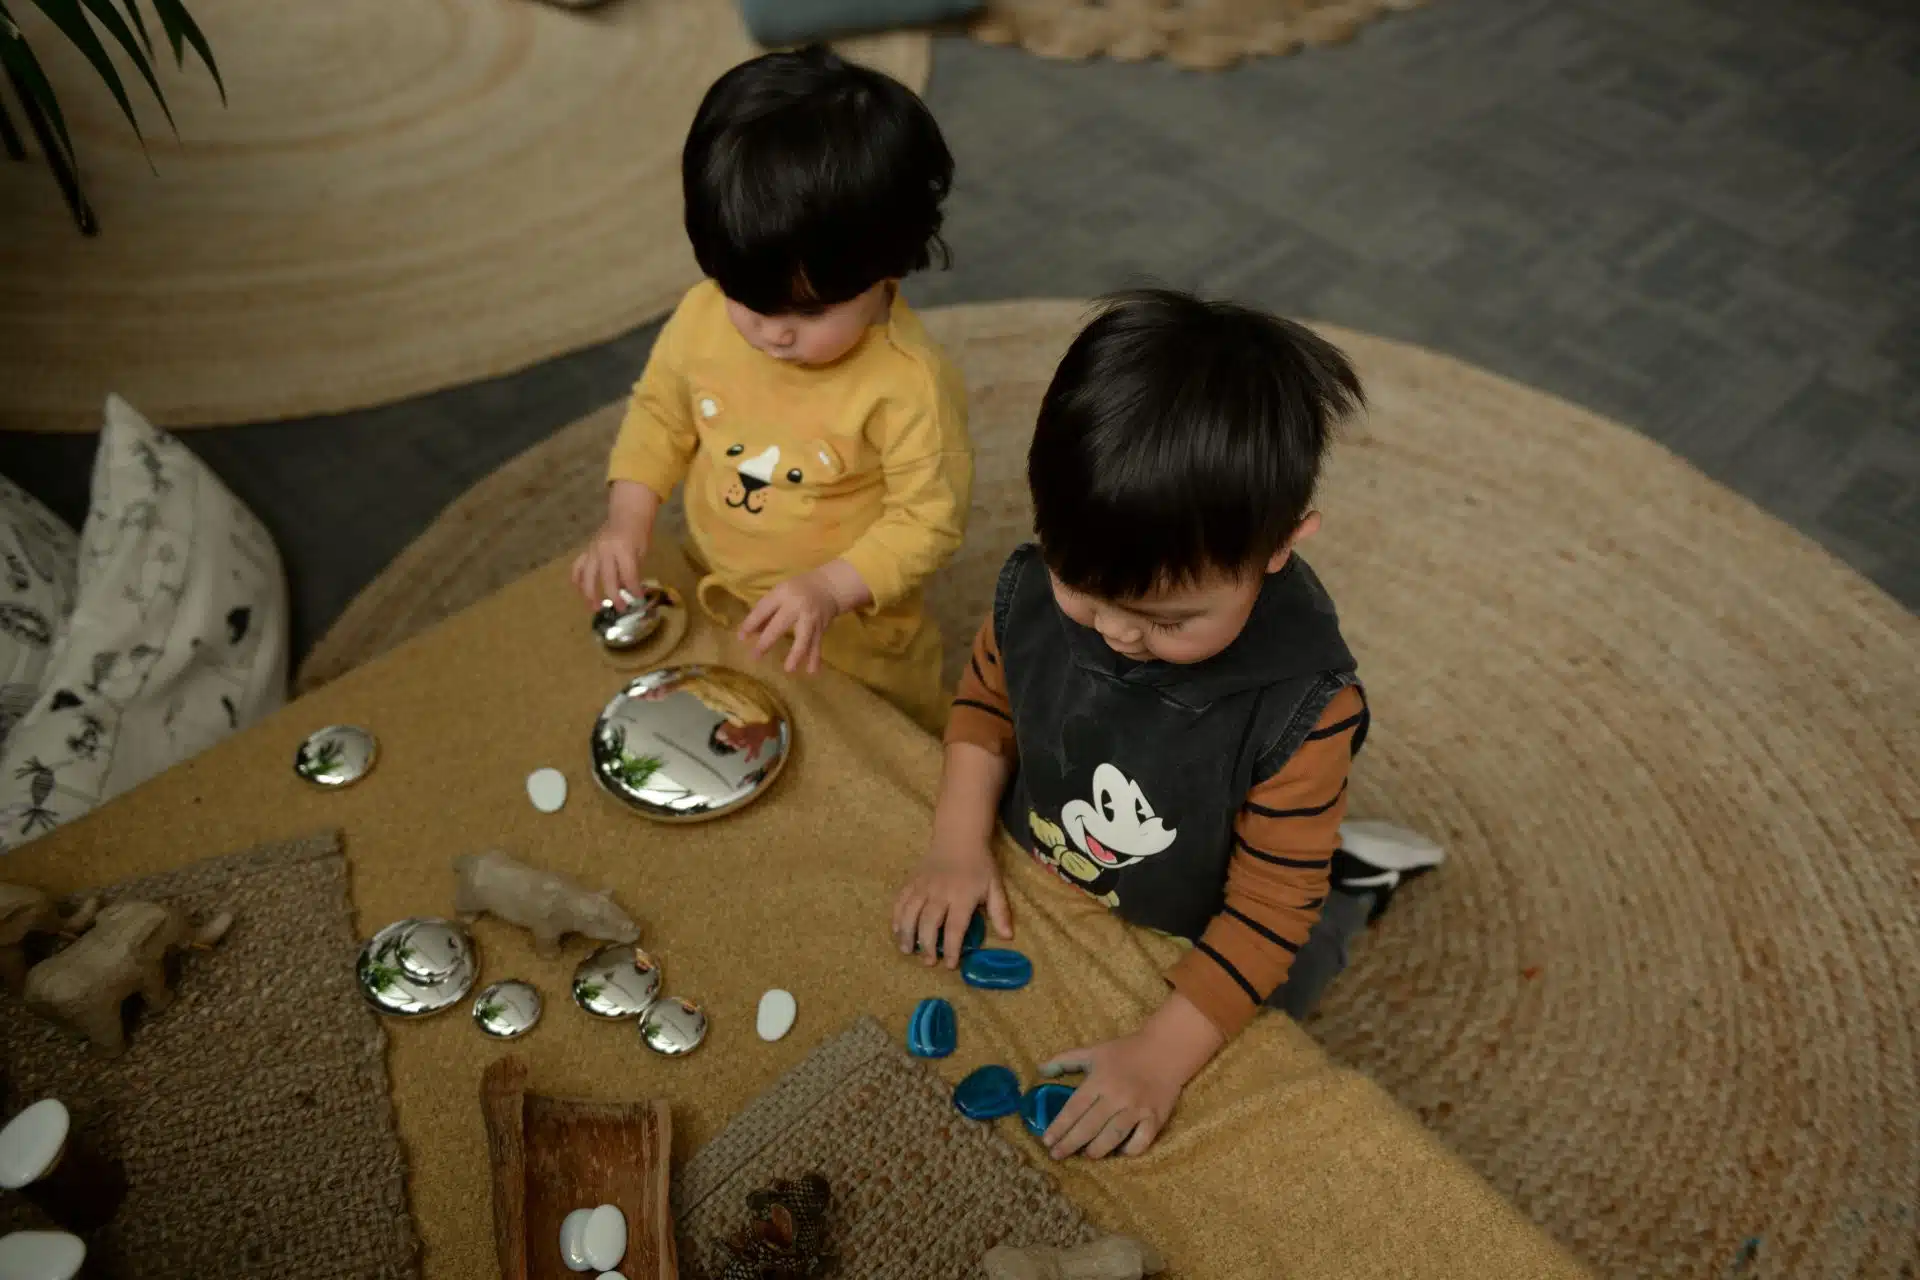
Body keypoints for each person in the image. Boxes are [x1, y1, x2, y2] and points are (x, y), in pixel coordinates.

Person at [891, 290, 1444, 1160]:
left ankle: (1355, 880)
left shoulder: (1304, 711)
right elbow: (988, 708)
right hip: (1061, 864)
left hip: (1211, 917)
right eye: (1089, 594)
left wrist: (1161, 1055)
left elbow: (1265, 914)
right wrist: (957, 845)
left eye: (1168, 621)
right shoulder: (1040, 589)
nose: (1115, 632)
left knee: (1290, 971)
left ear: (1279, 546)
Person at [573, 46, 971, 734]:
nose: (769, 333)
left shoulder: (908, 385)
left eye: (806, 312)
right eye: (743, 297)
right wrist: (627, 519)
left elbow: (927, 521)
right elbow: (660, 414)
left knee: (892, 747)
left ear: (888, 266)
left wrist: (828, 588)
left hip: (855, 636)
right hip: (719, 585)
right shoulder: (704, 315)